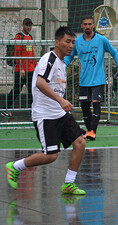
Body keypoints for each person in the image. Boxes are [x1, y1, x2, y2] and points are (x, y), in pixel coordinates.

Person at [5, 26, 86, 195]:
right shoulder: (49, 58)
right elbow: (40, 83)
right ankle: (15, 167)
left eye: (73, 42)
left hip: (60, 113)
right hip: (45, 115)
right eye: (67, 42)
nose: (71, 46)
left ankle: (69, 184)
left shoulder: (62, 63)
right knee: (50, 155)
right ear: (57, 42)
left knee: (80, 143)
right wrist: (61, 100)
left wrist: (62, 102)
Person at [64, 15, 118, 141]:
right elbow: (68, 57)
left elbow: (114, 52)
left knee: (96, 103)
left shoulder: (102, 40)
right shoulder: (77, 42)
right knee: (84, 107)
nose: (87, 26)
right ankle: (89, 131)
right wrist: (61, 68)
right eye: (85, 24)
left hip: (98, 80)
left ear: (93, 25)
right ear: (81, 26)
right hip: (84, 81)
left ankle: (92, 132)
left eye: (90, 24)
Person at [1, 18, 37, 118]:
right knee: (16, 90)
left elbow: (32, 53)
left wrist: (36, 66)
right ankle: (5, 109)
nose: (28, 27)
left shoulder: (30, 37)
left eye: (30, 25)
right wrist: (21, 68)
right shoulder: (19, 36)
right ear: (23, 25)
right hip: (21, 70)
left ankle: (33, 112)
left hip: (30, 70)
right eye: (27, 25)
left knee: (32, 90)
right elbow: (17, 53)